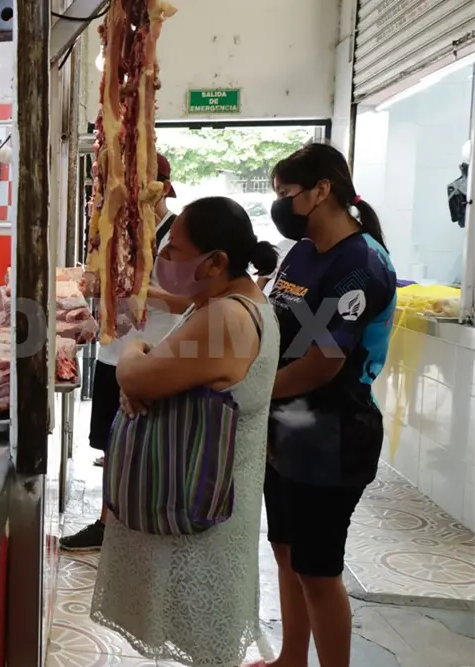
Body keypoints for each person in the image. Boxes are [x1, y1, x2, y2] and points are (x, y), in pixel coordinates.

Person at [90, 196, 281, 666]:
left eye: (173, 249)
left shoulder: (227, 317)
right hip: (206, 500)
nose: (163, 259)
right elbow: (162, 371)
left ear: (215, 262)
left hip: (202, 512)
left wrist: (134, 354)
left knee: (202, 638)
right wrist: (146, 372)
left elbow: (136, 374)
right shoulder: (226, 304)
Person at [258, 144, 396, 667]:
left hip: (334, 433)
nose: (282, 205)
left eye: (287, 194)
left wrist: (251, 393)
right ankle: (291, 659)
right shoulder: (301, 253)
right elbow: (276, 323)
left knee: (318, 570)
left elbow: (323, 363)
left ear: (322, 191)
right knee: (286, 552)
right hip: (285, 425)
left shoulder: (361, 263)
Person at [60, 153, 189, 552]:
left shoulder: (176, 235)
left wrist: (136, 291)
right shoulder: (118, 230)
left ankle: (145, 527)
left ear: (163, 188)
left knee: (149, 449)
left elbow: (187, 300)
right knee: (111, 445)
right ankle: (108, 524)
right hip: (112, 355)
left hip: (154, 356)